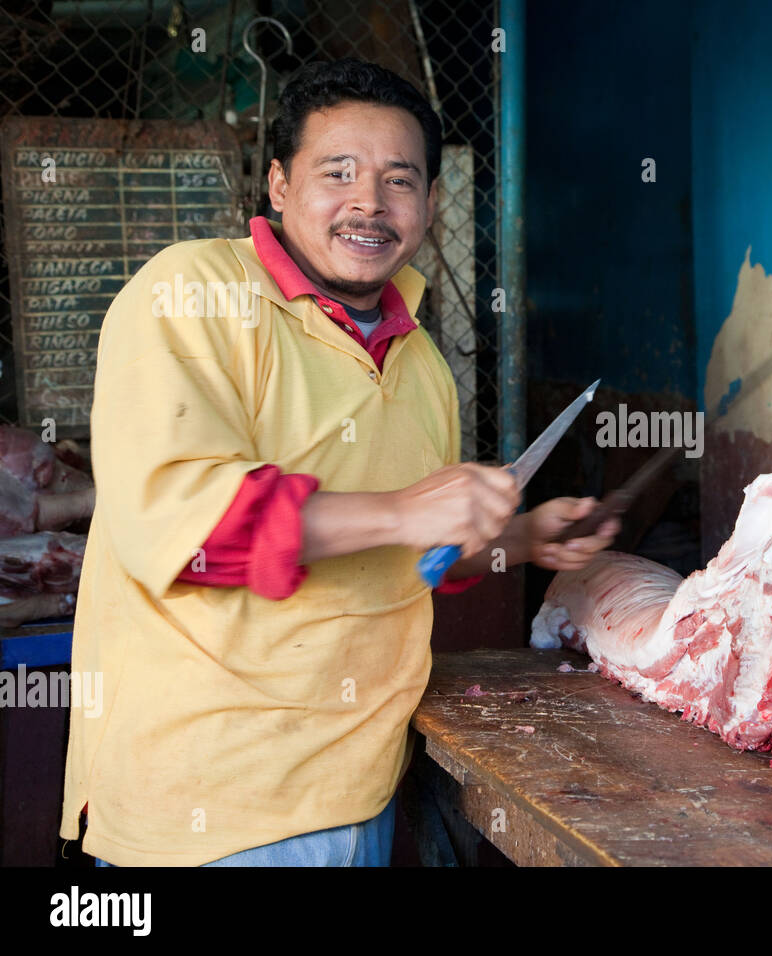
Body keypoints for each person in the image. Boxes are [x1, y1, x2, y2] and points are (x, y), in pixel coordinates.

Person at [59, 58, 616, 866]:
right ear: (280, 186)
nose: (370, 203)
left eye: (399, 180)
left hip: (364, 780)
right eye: (338, 173)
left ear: (430, 202)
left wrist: (525, 538)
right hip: (215, 807)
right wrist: (406, 508)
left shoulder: (418, 357)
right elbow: (184, 527)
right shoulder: (193, 292)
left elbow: (407, 553)